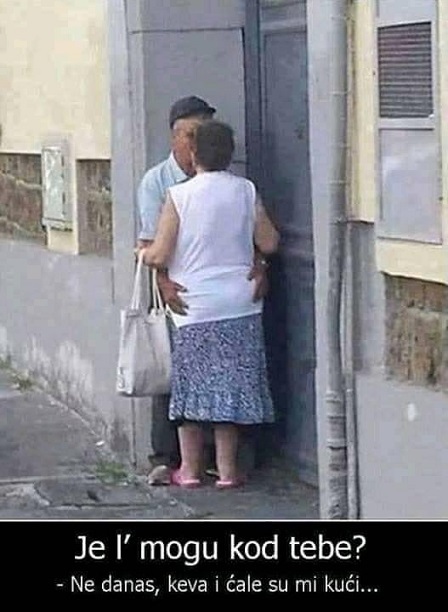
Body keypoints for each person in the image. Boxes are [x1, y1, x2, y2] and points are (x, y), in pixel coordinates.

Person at [140, 120, 279, 489]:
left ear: (194, 153)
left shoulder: (179, 195)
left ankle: (189, 470)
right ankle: (228, 471)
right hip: (240, 302)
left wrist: (143, 253)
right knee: (229, 389)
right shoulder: (246, 190)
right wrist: (257, 260)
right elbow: (269, 242)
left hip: (193, 305)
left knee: (190, 389)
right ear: (229, 155)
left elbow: (160, 253)